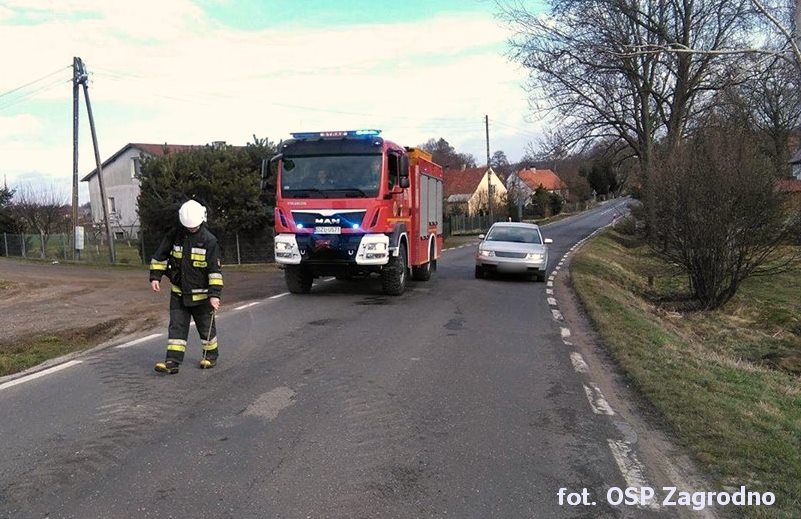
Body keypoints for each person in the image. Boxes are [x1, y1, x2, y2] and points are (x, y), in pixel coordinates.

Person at [149, 199, 223, 374]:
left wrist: (214, 295)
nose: (191, 229)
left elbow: (215, 271)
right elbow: (161, 255)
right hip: (179, 294)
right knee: (176, 327)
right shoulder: (175, 235)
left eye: (194, 226)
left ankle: (210, 356)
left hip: (202, 297)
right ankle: (172, 363)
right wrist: (155, 277)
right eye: (188, 226)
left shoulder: (209, 241)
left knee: (206, 328)